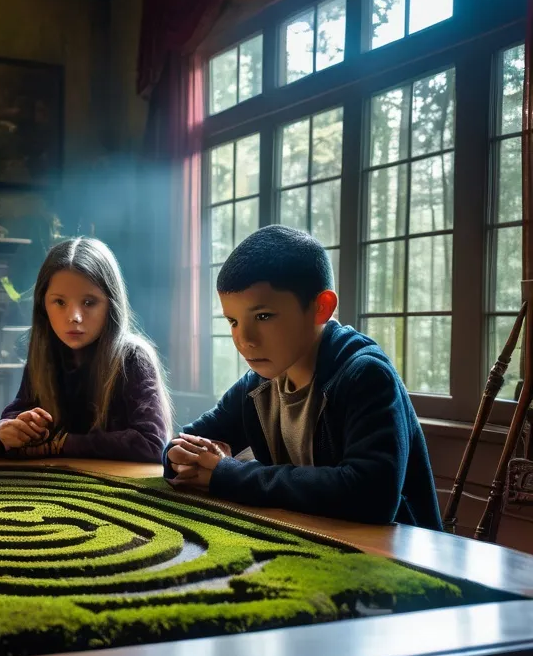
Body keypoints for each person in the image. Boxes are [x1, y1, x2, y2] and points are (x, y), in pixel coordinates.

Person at [165, 225, 441, 528]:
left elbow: (371, 496)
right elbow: (182, 442)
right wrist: (180, 458)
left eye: (263, 316)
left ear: (321, 308)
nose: (245, 340)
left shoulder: (365, 376)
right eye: (233, 321)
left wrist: (228, 474)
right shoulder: (257, 384)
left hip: (398, 560)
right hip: (310, 543)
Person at [0, 236, 171, 463]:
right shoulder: (45, 353)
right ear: (43, 305)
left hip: (120, 488)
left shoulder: (132, 358)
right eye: (60, 302)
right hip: (55, 485)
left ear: (111, 305)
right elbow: (15, 414)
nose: (74, 317)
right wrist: (2, 433)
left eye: (89, 302)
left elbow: (153, 443)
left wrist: (62, 443)